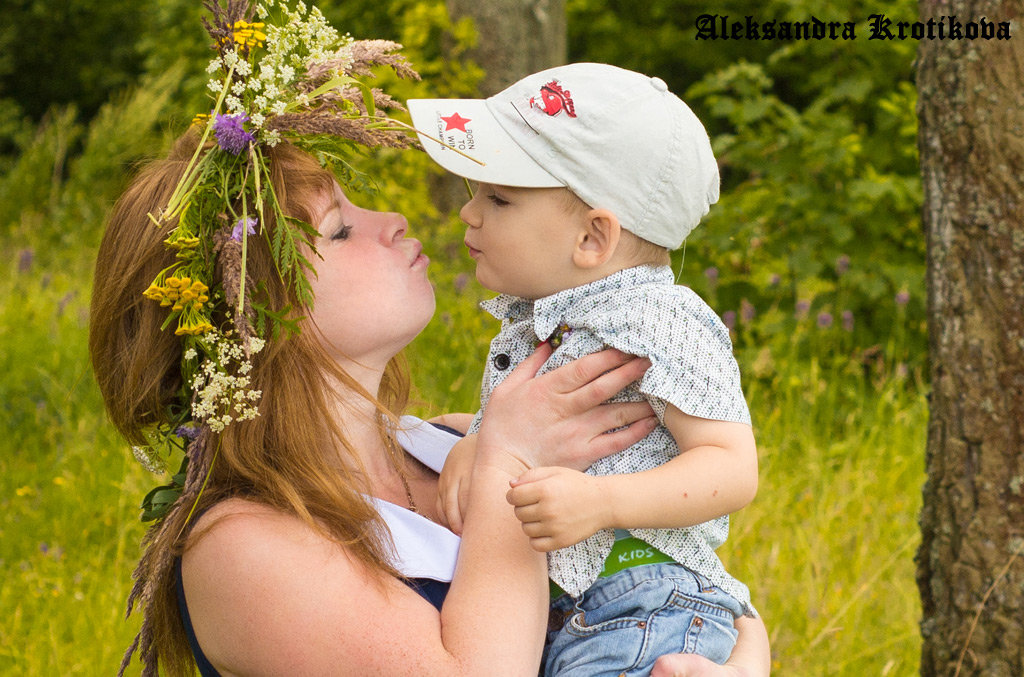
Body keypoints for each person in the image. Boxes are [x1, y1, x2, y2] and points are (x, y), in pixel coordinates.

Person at [91, 3, 770, 674]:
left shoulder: (452, 442)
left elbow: (676, 570)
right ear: (256, 314)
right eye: (340, 228)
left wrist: (744, 655)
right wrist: (509, 457)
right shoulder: (241, 547)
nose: (390, 218)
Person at [408, 62, 760, 673]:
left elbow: (732, 468)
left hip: (647, 604)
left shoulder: (660, 318)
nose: (469, 214)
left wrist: (603, 502)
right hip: (566, 613)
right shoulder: (541, 321)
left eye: (498, 199)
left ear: (593, 238)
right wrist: (481, 442)